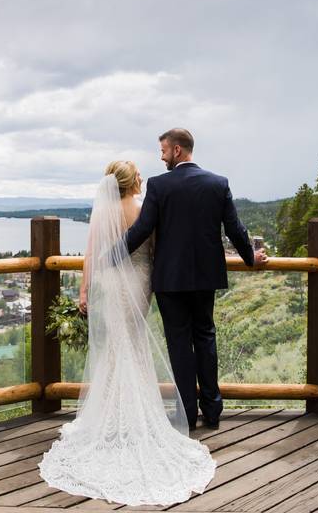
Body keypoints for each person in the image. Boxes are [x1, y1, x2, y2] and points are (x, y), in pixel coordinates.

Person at [38, 160, 216, 506]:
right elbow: (157, 248)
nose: (141, 177)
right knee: (131, 344)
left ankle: (111, 413)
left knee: (116, 347)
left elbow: (91, 253)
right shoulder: (142, 208)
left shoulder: (104, 211)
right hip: (138, 281)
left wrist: (84, 290)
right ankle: (130, 416)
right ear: (129, 181)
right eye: (137, 174)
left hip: (110, 281)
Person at [125, 128, 268, 430]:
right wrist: (250, 258)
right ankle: (213, 411)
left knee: (179, 344)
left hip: (170, 281)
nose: (161, 156)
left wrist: (109, 255)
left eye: (163, 150)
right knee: (205, 338)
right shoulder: (217, 183)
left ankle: (187, 415)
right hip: (205, 278)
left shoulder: (159, 186)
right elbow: (234, 228)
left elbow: (141, 230)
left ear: (177, 150)